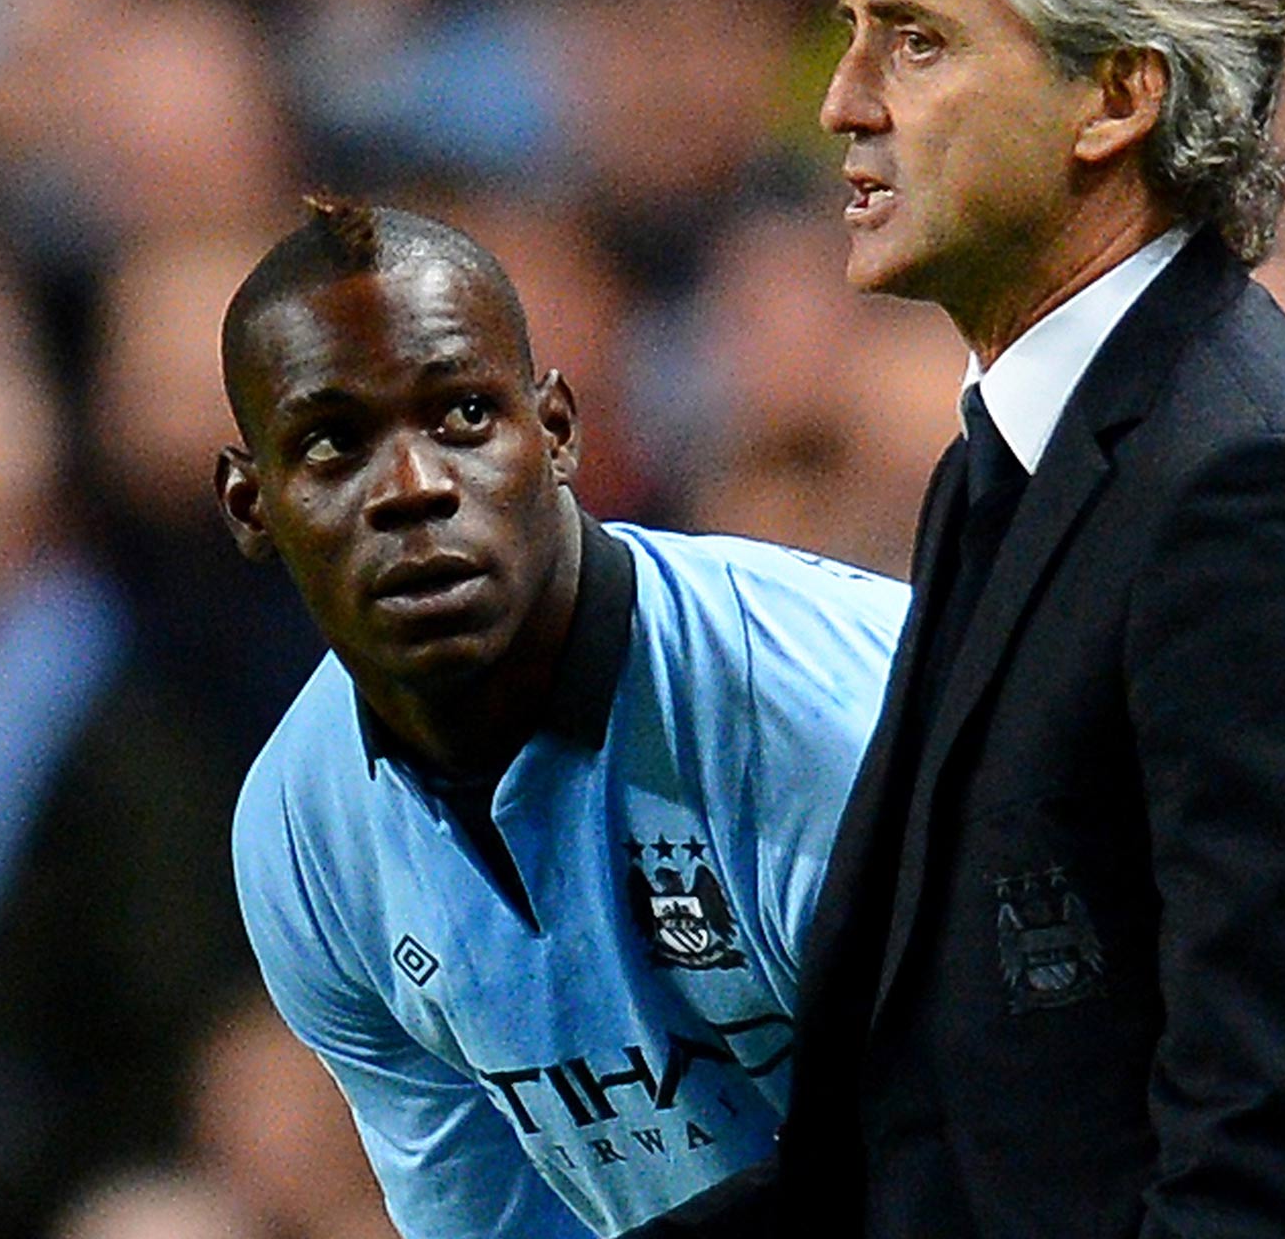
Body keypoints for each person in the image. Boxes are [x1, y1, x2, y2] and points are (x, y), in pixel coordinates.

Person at [648, 0, 1285, 1238]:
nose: (842, 104)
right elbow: (917, 1139)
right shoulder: (1014, 460)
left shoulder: (1261, 499)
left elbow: (1281, 1176)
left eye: (914, 44)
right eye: (854, 38)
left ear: (1116, 96)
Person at [217, 199, 909, 1237]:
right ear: (249, 504)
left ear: (555, 432)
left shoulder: (812, 716)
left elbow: (971, 1156)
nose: (412, 488)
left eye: (461, 418)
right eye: (331, 443)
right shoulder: (303, 835)